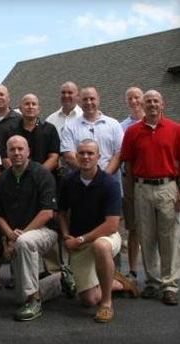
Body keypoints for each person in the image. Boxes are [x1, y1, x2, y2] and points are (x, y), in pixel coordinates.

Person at [59, 139, 139, 323]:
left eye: (90, 153)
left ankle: (106, 304)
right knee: (88, 300)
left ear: (98, 157)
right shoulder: (68, 181)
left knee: (101, 246)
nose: (86, 157)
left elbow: (111, 225)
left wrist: (79, 240)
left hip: (106, 237)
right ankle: (115, 282)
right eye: (82, 153)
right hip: (79, 241)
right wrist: (65, 236)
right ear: (76, 156)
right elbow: (62, 213)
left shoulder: (109, 184)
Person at [0, 135, 67, 321]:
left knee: (25, 242)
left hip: (45, 231)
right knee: (20, 297)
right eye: (12, 149)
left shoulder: (41, 174)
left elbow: (47, 213)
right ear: (7, 153)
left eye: (20, 149)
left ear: (28, 152)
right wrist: (9, 235)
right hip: (17, 236)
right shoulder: (3, 179)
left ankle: (34, 301)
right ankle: (61, 280)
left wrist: (18, 237)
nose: (17, 153)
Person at [120, 90, 180, 306]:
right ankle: (153, 282)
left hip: (167, 187)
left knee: (170, 238)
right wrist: (130, 196)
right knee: (146, 237)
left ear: (162, 104)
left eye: (156, 101)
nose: (152, 104)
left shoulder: (175, 129)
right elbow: (128, 165)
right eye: (148, 101)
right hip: (142, 188)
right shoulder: (133, 131)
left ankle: (170, 285)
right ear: (142, 105)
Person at [60, 87, 123, 185]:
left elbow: (119, 154)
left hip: (110, 184)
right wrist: (88, 175)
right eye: (85, 99)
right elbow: (69, 156)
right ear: (79, 101)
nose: (89, 102)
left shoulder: (114, 124)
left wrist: (102, 177)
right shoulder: (69, 127)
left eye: (92, 99)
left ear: (98, 99)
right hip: (81, 185)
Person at [119, 87, 145, 281]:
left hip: (153, 181)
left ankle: (162, 272)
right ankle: (134, 269)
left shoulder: (153, 122)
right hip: (130, 183)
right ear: (126, 102)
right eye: (130, 98)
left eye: (137, 97)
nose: (134, 101)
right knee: (134, 228)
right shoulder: (122, 127)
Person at [10, 94, 60, 172]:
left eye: (33, 104)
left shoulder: (50, 129)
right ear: (20, 109)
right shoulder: (12, 131)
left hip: (44, 178)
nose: (30, 106)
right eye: (27, 104)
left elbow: (54, 157)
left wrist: (38, 175)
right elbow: (6, 157)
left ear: (38, 109)